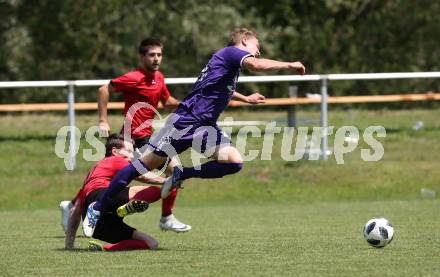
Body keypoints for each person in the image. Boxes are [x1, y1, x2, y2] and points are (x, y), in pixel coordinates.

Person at [83, 27, 306, 237]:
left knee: (234, 162)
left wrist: (246, 98)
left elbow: (221, 88)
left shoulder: (227, 64)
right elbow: (256, 66)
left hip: (205, 126)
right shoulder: (230, 52)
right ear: (244, 41)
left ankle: (183, 174)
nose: (258, 51)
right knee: (141, 166)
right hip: (186, 121)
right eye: (257, 46)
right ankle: (97, 207)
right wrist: (288, 65)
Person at [95, 37, 191, 233]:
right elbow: (103, 89)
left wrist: (189, 104)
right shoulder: (133, 77)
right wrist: (103, 120)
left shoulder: (159, 77)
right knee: (111, 179)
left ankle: (74, 206)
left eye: (159, 55)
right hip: (132, 138)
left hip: (147, 136)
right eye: (151, 55)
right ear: (141, 57)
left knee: (111, 179)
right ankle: (166, 218)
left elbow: (167, 101)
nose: (156, 59)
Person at [65, 134, 172, 251]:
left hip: (97, 228)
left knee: (151, 243)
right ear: (115, 151)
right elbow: (143, 176)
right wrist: (168, 180)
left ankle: (104, 248)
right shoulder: (115, 160)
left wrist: (69, 244)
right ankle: (123, 209)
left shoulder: (91, 176)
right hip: (100, 199)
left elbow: (75, 210)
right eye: (129, 151)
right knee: (156, 191)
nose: (132, 156)